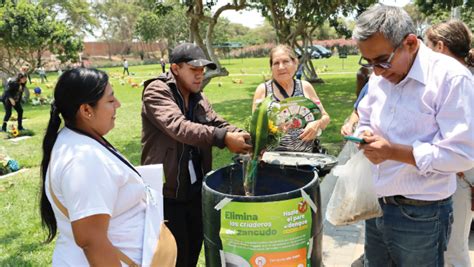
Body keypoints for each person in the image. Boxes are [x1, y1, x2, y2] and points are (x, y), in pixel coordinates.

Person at [352, 5, 474, 266]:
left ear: (409, 43)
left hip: (422, 214)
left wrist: (393, 152)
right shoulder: (379, 76)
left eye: (382, 60)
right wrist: (364, 133)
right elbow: (364, 117)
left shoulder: (451, 78)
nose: (377, 71)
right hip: (377, 204)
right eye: (369, 62)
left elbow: (462, 154)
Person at [39, 68, 175, 266]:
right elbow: (91, 240)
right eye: (111, 101)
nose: (118, 104)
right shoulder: (83, 160)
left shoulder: (77, 139)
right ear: (86, 110)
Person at [141, 42, 252, 267]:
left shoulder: (198, 96)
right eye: (193, 70)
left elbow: (217, 122)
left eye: (202, 70)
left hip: (195, 190)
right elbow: (178, 127)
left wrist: (244, 136)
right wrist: (222, 138)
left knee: (192, 252)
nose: (199, 75)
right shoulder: (157, 90)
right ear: (175, 68)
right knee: (173, 257)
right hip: (167, 193)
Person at [424, 19, 474, 267]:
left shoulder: (461, 81)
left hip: (462, 177)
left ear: (441, 47)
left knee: (453, 248)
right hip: (453, 177)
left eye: (427, 46)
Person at [252, 44, 330, 153]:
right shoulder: (263, 90)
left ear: (295, 63)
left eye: (285, 61)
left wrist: (317, 124)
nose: (281, 67)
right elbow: (255, 129)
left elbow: (325, 117)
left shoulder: (305, 87)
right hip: (273, 160)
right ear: (271, 67)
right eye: (276, 63)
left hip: (306, 159)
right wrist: (273, 130)